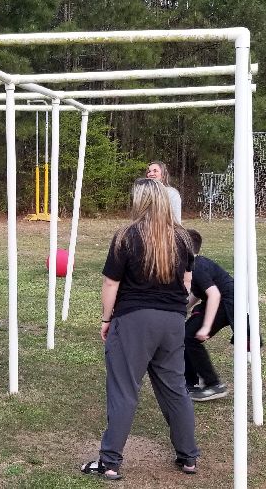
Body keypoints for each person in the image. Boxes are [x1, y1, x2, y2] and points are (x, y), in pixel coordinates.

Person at [82, 178, 199, 480]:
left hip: (134, 320)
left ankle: (109, 462)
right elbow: (187, 284)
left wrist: (106, 319)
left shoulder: (126, 236)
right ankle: (188, 458)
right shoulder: (183, 238)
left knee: (123, 390)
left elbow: (111, 283)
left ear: (140, 202)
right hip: (173, 321)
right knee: (175, 388)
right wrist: (174, 312)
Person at [184, 229, 234, 402]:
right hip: (221, 300)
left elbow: (214, 295)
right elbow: (198, 292)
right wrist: (184, 308)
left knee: (189, 336)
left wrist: (205, 327)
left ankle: (214, 385)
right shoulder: (195, 264)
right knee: (186, 334)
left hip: (228, 303)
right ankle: (190, 383)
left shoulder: (197, 267)